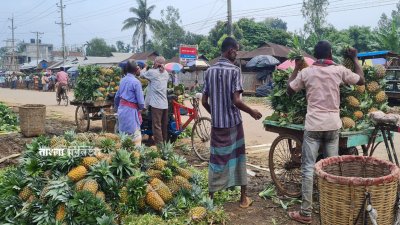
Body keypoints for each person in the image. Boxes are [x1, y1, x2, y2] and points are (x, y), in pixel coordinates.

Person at [287, 41, 365, 224]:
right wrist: (354, 58)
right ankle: (335, 210)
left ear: (315, 55)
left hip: (313, 126)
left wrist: (296, 69)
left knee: (308, 168)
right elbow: (361, 80)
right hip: (332, 126)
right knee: (332, 169)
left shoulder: (307, 72)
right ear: (330, 54)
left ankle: (305, 214)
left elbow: (289, 90)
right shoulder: (338, 70)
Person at [201, 37, 263, 208]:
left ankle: (211, 197)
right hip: (234, 125)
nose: (237, 54)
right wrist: (252, 112)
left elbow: (204, 101)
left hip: (217, 125)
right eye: (237, 50)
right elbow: (236, 101)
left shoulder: (209, 71)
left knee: (217, 159)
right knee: (238, 157)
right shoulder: (234, 70)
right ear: (230, 51)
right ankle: (243, 198)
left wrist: (216, 114)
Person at [114, 60, 145, 146]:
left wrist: (116, 109)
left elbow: (117, 97)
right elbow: (141, 102)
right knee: (135, 138)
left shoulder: (122, 80)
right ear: (136, 70)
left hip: (121, 110)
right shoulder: (136, 82)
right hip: (131, 113)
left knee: (123, 137)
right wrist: (141, 109)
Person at [141, 56, 169, 145]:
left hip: (156, 105)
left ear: (156, 63)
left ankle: (160, 147)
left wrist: (145, 67)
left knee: (157, 126)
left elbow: (141, 74)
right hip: (165, 104)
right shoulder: (166, 73)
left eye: (155, 62)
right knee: (164, 126)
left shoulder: (152, 72)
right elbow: (156, 79)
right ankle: (165, 146)